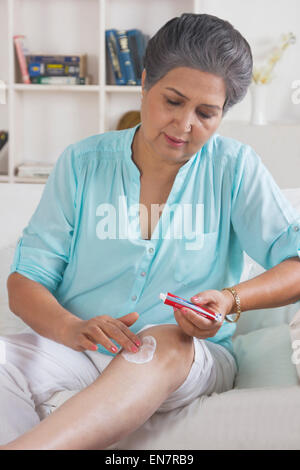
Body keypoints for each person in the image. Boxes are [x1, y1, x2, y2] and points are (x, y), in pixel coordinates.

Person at [1, 13, 300, 450]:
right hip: (80, 349)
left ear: (223, 114)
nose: (184, 126)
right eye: (173, 101)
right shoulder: (81, 163)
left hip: (186, 356)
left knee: (161, 341)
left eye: (206, 113)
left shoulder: (234, 168)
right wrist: (72, 329)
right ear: (144, 83)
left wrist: (232, 299)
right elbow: (25, 281)